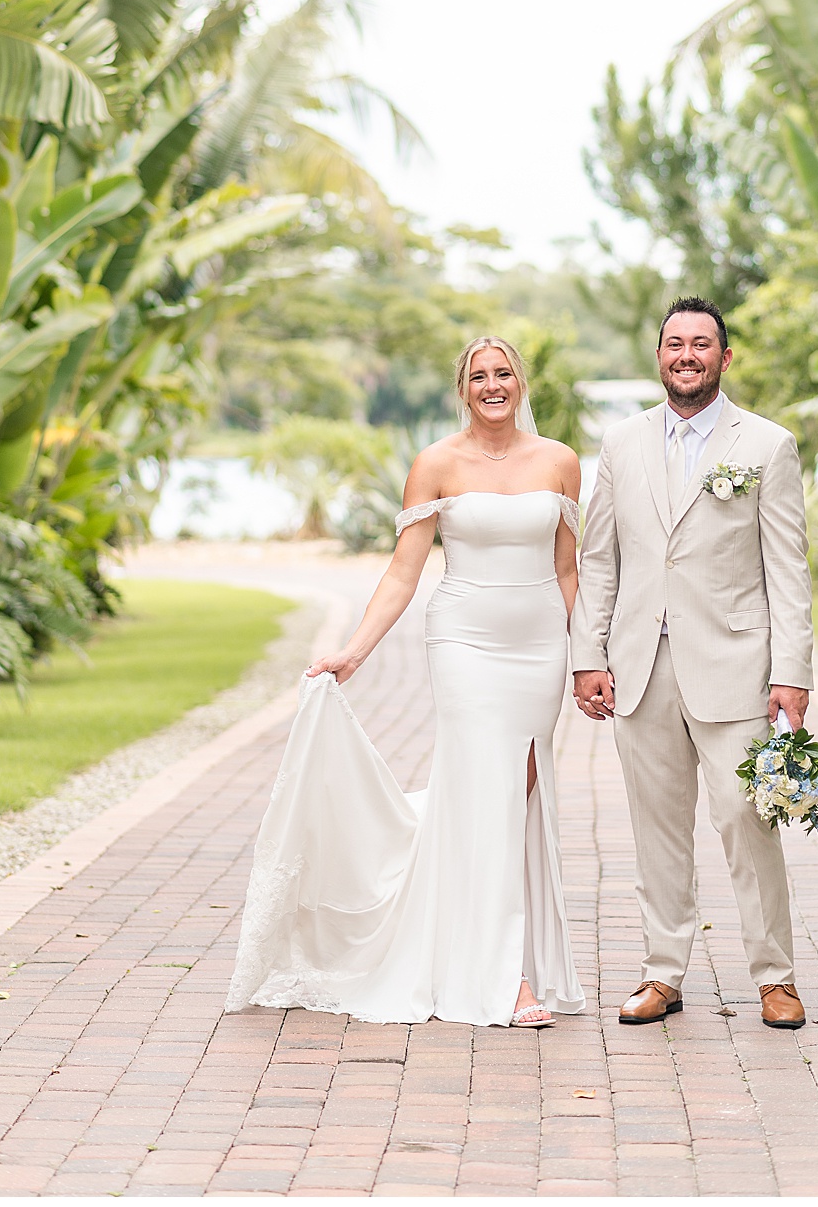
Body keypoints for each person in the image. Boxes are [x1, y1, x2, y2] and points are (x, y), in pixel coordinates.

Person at [225, 336, 588, 1028]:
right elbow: (403, 570)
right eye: (478, 375)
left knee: (512, 803)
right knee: (488, 792)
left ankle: (491, 952)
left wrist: (589, 656)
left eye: (503, 372)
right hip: (465, 643)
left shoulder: (561, 461)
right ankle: (504, 978)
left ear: (520, 382)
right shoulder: (436, 463)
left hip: (538, 646)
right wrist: (353, 652)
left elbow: (569, 568)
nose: (492, 384)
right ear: (463, 387)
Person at [571, 299, 814, 1030]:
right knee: (656, 828)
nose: (687, 354)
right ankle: (662, 972)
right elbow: (599, 557)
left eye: (701, 343)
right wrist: (589, 653)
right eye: (674, 343)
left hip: (736, 664)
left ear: (724, 357)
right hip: (640, 666)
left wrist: (792, 671)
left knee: (747, 819)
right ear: (659, 356)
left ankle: (775, 976)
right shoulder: (620, 442)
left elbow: (789, 568)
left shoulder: (768, 445)